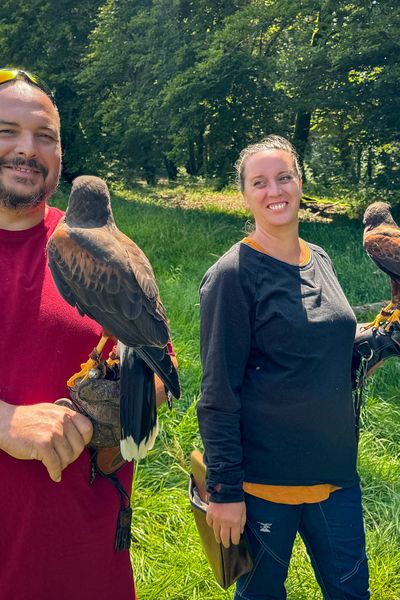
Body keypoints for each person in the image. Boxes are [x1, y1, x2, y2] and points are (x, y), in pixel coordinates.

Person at [197, 135, 399, 600]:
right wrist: (225, 492)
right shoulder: (232, 275)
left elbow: (325, 346)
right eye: (260, 182)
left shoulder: (320, 258)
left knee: (352, 593)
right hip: (266, 482)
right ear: (245, 194)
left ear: (300, 183)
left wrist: (377, 341)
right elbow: (217, 393)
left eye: (284, 177)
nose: (275, 191)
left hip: (336, 474)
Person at [0, 68, 158, 600]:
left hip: (91, 565)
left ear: (61, 155)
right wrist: (6, 420)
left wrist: (122, 402)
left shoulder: (91, 250)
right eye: (7, 131)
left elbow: (158, 363)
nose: (27, 149)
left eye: (44, 136)